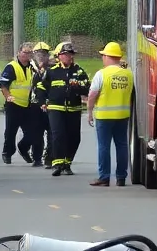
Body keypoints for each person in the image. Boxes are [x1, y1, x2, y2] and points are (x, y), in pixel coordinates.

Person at [36, 42, 89, 176]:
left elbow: (87, 88)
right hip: (55, 108)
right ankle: (57, 164)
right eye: (65, 54)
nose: (68, 57)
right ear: (59, 56)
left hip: (74, 108)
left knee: (74, 137)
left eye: (70, 54)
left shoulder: (79, 71)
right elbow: (41, 87)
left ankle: (67, 163)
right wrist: (42, 102)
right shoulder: (52, 71)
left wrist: (77, 86)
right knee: (58, 135)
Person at [86, 42, 134, 187]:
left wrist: (89, 111)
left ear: (107, 56)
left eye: (103, 56)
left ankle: (104, 177)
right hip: (122, 115)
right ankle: (121, 178)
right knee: (122, 146)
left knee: (104, 146)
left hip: (104, 117)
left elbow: (92, 94)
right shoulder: (128, 74)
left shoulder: (102, 74)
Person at [0, 43, 36, 164]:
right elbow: (3, 85)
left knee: (32, 132)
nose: (27, 55)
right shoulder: (12, 67)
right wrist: (8, 96)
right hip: (14, 104)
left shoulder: (32, 67)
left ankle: (23, 148)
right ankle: (7, 153)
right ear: (19, 53)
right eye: (25, 52)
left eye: (30, 53)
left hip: (27, 104)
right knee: (10, 131)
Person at [24, 41, 52, 167]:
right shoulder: (29, 67)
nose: (41, 56)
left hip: (50, 104)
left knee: (52, 133)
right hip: (35, 105)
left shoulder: (52, 69)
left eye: (44, 53)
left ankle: (50, 157)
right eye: (38, 53)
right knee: (37, 133)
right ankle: (37, 158)